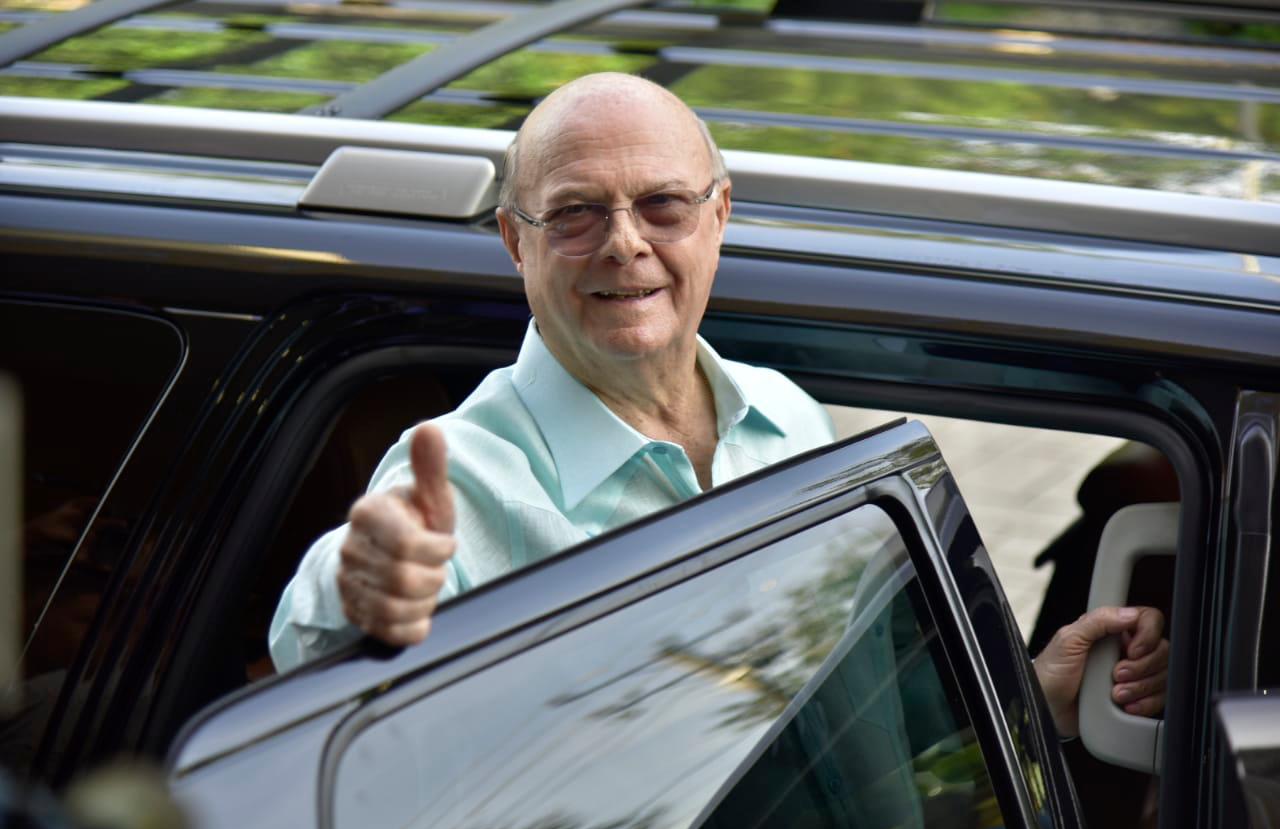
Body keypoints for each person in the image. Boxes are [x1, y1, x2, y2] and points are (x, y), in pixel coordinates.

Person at [269, 73, 1169, 736]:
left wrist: (1023, 697)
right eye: (576, 213)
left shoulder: (785, 416)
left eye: (662, 204)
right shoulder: (459, 475)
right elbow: (311, 660)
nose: (625, 245)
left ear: (719, 215)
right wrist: (358, 590)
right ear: (515, 240)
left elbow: (842, 701)